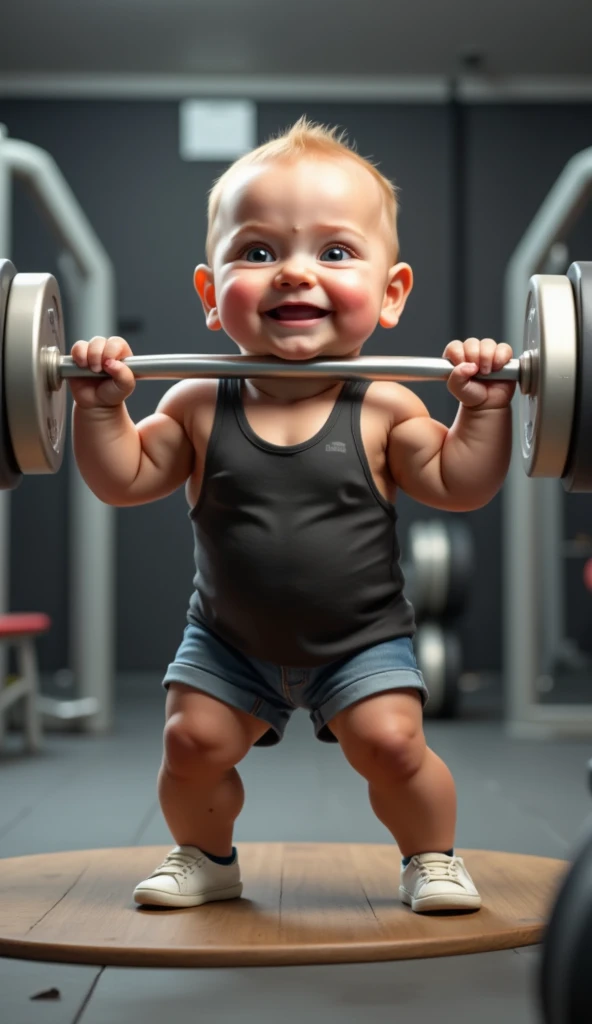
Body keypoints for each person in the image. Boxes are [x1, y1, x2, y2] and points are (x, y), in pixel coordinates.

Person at [70, 117, 514, 914]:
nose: (293, 274)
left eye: (335, 252)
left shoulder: (383, 404)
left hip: (361, 639)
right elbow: (124, 478)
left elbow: (461, 483)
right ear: (211, 294)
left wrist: (484, 410)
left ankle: (431, 859)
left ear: (391, 294)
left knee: (392, 744)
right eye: (258, 251)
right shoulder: (197, 400)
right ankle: (207, 857)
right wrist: (100, 409)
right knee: (190, 743)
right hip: (229, 640)